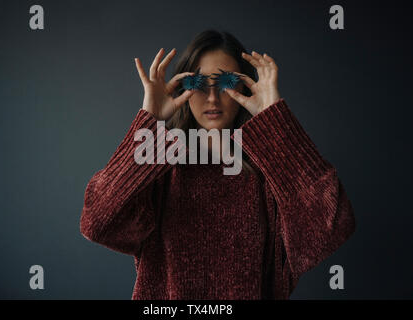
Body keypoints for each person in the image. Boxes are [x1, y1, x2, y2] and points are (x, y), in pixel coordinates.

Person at [79, 29, 356, 300]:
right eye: (198, 83)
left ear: (244, 86)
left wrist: (276, 123)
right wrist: (149, 124)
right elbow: (97, 222)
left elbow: (330, 228)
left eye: (225, 83)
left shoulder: (267, 173)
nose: (212, 98)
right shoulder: (159, 169)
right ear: (183, 87)